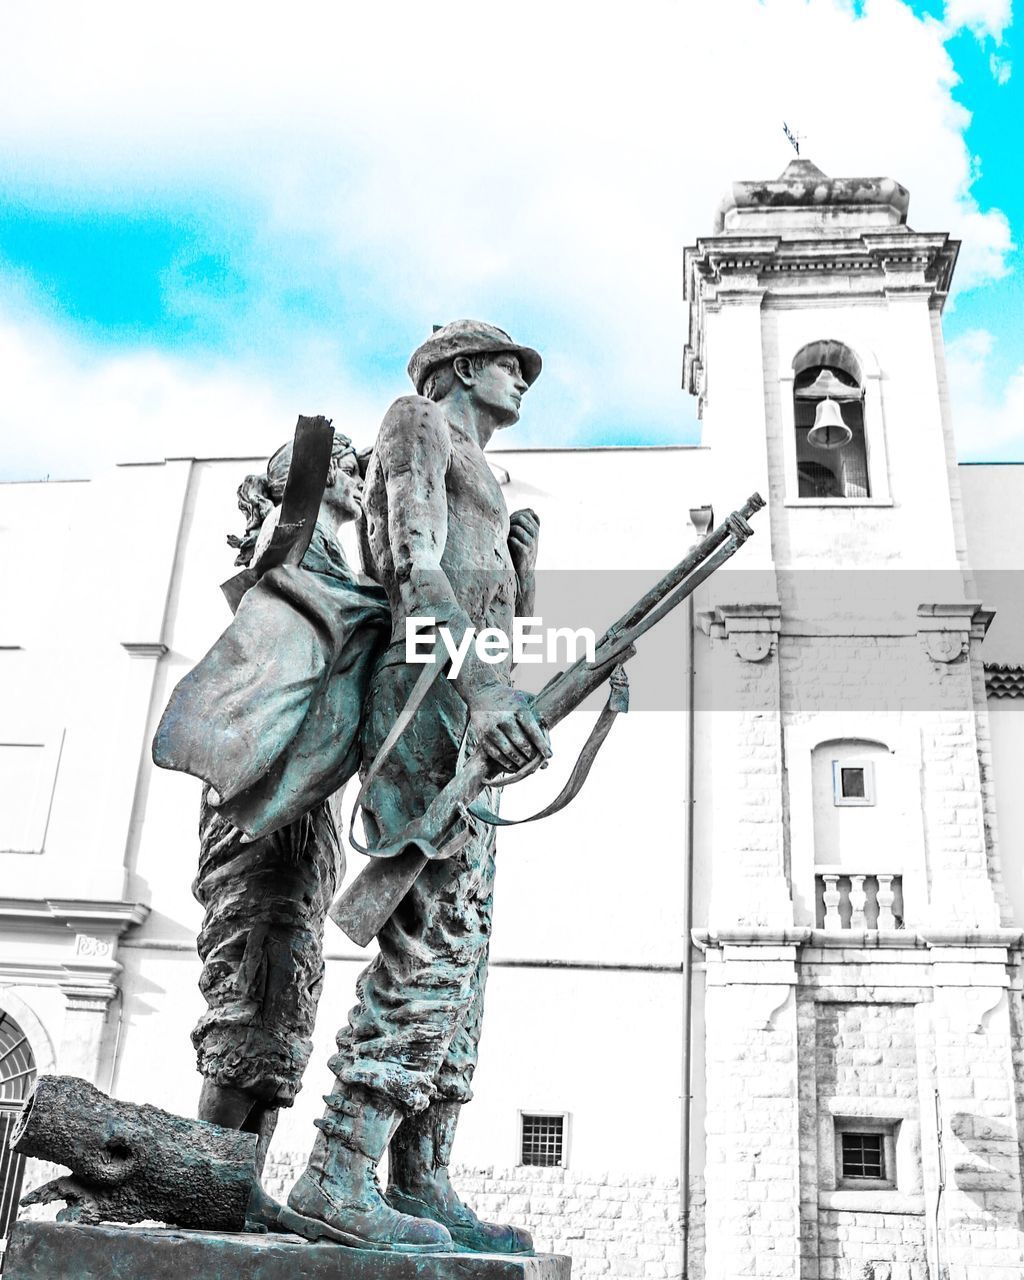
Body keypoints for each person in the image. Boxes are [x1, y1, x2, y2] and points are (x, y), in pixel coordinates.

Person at [286, 322, 550, 1254]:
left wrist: (523, 572)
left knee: (466, 942)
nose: (524, 379)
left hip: (465, 698)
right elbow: (414, 567)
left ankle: (421, 1172)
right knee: (429, 931)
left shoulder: (488, 471)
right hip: (424, 698)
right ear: (465, 369)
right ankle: (339, 1169)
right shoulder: (416, 422)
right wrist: (482, 696)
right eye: (512, 364)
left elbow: (490, 610)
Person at [153, 429, 389, 1173]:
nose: (358, 477)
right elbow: (336, 613)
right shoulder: (287, 554)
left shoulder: (334, 566)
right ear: (309, 485)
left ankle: (239, 1187)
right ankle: (207, 1186)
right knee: (251, 991)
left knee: (287, 1003)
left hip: (306, 807)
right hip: (263, 806)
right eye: (346, 468)